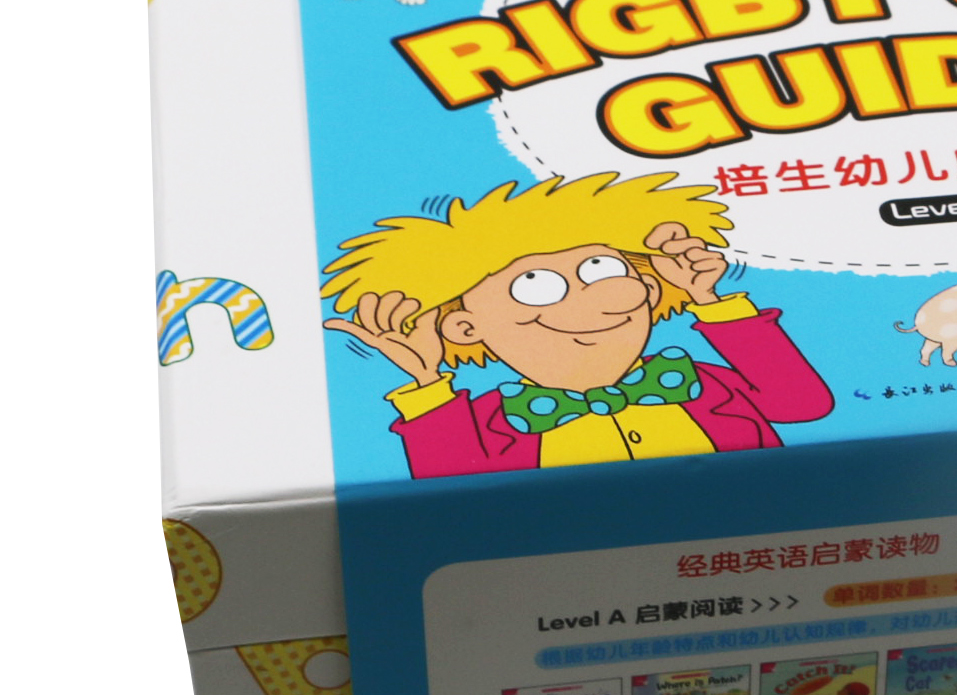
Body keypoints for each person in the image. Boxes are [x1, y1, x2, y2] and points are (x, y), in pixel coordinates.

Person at [322, 171, 832, 475]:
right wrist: (427, 382)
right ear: (465, 328)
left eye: (602, 268)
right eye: (535, 285)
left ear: (650, 287)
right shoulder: (493, 424)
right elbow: (446, 482)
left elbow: (803, 405)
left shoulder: (700, 383)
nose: (595, 296)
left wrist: (711, 302)